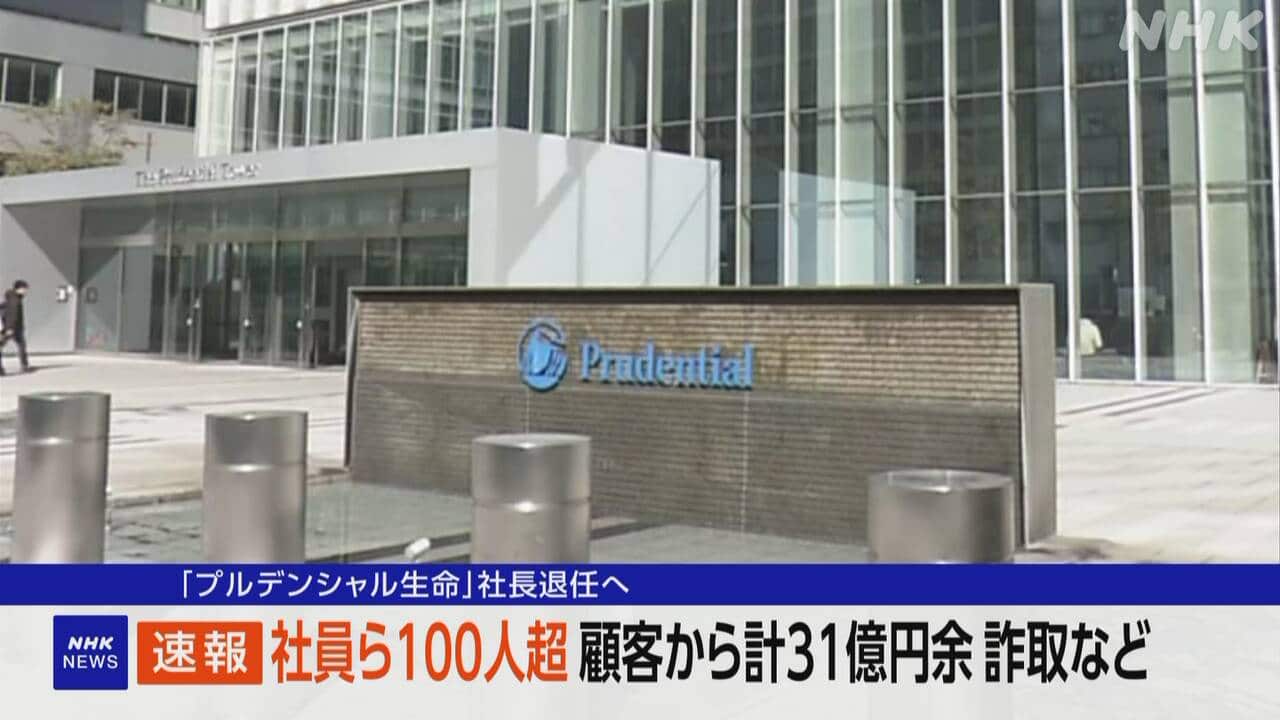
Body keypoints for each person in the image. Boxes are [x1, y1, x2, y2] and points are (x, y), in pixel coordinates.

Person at [0, 279, 31, 376]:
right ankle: (24, 366)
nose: (26, 291)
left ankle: (24, 365)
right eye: (25, 289)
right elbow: (13, 315)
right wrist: (9, 328)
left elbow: (3, 308)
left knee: (19, 345)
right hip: (13, 328)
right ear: (19, 289)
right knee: (21, 346)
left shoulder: (11, 298)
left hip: (11, 327)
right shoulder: (15, 300)